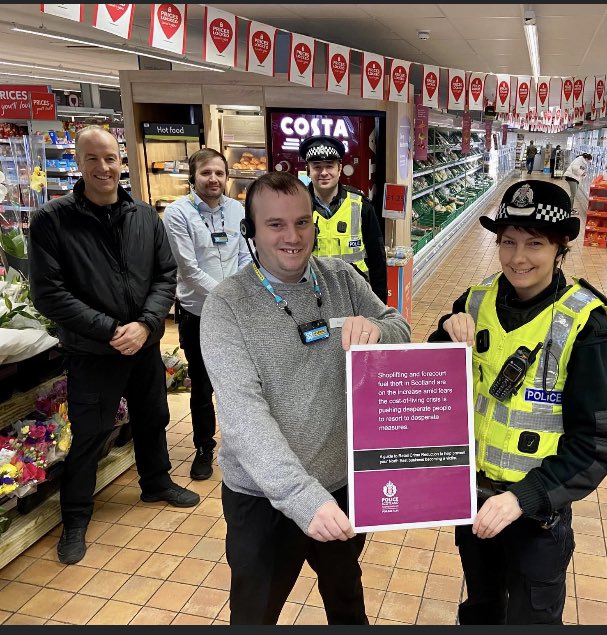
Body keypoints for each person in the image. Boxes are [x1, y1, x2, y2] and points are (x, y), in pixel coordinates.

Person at [200, 171, 410, 624]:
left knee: (346, 601)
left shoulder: (340, 279)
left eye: (302, 222)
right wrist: (301, 496)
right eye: (275, 224)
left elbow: (399, 325)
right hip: (263, 498)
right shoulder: (227, 306)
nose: (292, 236)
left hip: (340, 485)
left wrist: (379, 329)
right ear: (250, 231)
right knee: (256, 613)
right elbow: (242, 416)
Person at [427, 179, 607, 625]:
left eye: (535, 243)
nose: (518, 258)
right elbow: (434, 383)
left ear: (561, 249)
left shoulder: (586, 325)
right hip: (474, 504)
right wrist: (445, 329)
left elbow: (599, 444)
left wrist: (522, 498)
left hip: (536, 519)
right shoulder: (476, 300)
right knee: (481, 608)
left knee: (532, 619)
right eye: (508, 242)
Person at [28, 126, 200, 565]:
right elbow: (48, 293)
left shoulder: (143, 215)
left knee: (152, 417)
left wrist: (144, 324)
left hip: (142, 345)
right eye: (92, 159)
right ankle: (76, 517)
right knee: (91, 434)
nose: (103, 168)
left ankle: (156, 482)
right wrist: (109, 329)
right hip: (92, 351)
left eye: (109, 158)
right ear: (80, 163)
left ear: (121, 160)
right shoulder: (53, 219)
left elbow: (165, 275)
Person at [162, 148, 251, 480]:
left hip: (236, 313)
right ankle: (204, 447)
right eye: (206, 173)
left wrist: (236, 296)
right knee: (202, 386)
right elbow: (188, 269)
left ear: (226, 177)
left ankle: (242, 447)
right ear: (193, 177)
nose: (213, 179)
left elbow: (245, 255)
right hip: (198, 313)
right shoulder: (177, 213)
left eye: (219, 173)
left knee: (239, 383)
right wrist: (226, 297)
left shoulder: (237, 209)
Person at [299, 135, 387, 303]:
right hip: (312, 297)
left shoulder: (361, 206)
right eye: (317, 167)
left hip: (355, 296)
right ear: (308, 170)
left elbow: (377, 260)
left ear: (339, 168)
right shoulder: (295, 207)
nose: (323, 172)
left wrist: (380, 305)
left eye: (329, 166)